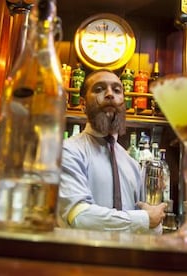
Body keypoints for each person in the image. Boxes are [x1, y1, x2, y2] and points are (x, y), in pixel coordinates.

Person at [58, 69, 167, 234]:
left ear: (123, 102)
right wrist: (145, 219)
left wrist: (154, 222)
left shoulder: (132, 165)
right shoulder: (68, 151)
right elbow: (80, 217)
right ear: (82, 104)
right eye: (99, 89)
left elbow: (148, 228)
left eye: (117, 90)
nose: (110, 94)